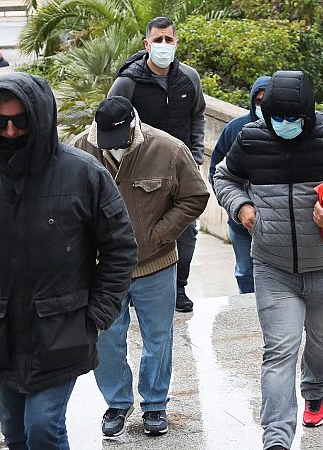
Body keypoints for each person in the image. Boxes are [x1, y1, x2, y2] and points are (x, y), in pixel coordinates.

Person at [0, 73, 138, 450]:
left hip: (63, 331)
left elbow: (119, 248)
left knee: (44, 428)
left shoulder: (85, 174)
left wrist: (98, 313)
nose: (11, 132)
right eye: (1, 123)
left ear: (41, 119)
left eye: (21, 122)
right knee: (15, 433)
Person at [213, 70, 323, 450]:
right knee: (279, 348)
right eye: (277, 117)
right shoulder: (252, 138)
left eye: (293, 119)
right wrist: (241, 207)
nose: (284, 125)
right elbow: (224, 177)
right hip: (273, 267)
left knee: (321, 339)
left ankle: (316, 391)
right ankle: (275, 439)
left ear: (307, 114)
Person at [72, 96, 209, 438]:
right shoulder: (79, 149)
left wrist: (161, 233)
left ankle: (154, 404)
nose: (113, 148)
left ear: (132, 126)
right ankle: (117, 402)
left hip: (156, 264)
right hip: (104, 269)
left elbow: (195, 196)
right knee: (106, 338)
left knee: (158, 338)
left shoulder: (169, 149)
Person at [108, 16, 206, 313]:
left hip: (180, 170)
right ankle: (134, 286)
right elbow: (110, 119)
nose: (164, 45)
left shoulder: (189, 78)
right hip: (141, 172)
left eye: (169, 40)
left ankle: (178, 287)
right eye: (158, 40)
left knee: (185, 230)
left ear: (177, 42)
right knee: (138, 230)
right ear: (146, 44)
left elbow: (197, 116)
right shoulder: (128, 81)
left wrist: (197, 155)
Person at [208, 75, 270, 294]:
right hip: (242, 222)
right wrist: (237, 206)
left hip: (276, 224)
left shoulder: (287, 131)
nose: (263, 106)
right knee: (245, 270)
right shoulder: (235, 129)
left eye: (267, 100)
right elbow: (216, 172)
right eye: (259, 101)